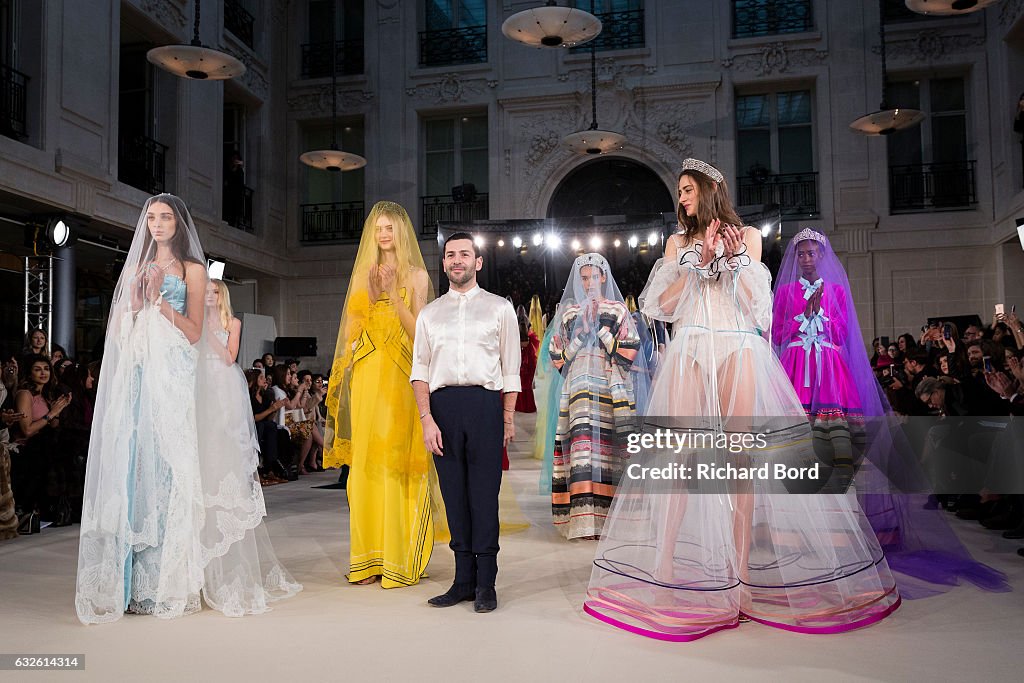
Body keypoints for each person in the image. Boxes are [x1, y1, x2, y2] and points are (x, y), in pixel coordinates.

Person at [585, 158, 901, 641]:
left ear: (710, 190)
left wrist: (732, 263)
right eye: (680, 191)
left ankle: (741, 576)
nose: (682, 198)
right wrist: (698, 265)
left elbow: (760, 307)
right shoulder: (676, 243)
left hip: (737, 345)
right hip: (690, 345)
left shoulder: (748, 237)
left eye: (688, 189)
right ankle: (665, 566)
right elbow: (660, 307)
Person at [75, 194, 300, 624]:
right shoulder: (138, 267)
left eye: (165, 218)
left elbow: (196, 330)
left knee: (170, 467)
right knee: (135, 467)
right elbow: (122, 327)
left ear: (179, 224)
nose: (157, 224)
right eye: (151, 217)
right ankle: (131, 581)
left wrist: (160, 301)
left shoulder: (194, 270)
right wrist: (138, 304)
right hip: (141, 373)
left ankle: (170, 580)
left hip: (175, 372)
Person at [773, 229, 1008, 597]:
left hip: (829, 369)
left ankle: (836, 519)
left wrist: (821, 316)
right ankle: (797, 519)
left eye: (811, 252)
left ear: (822, 255)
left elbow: (844, 331)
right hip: (797, 364)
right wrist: (804, 314)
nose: (805, 258)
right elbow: (778, 331)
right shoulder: (785, 292)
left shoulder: (836, 289)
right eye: (800, 253)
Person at [324, 201, 435, 588]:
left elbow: (418, 330)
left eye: (390, 228)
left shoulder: (418, 275)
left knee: (398, 459)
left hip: (402, 373)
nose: (383, 234)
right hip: (369, 372)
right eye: (378, 228)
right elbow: (353, 333)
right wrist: (372, 295)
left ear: (401, 232)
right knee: (366, 462)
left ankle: (399, 557)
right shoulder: (361, 276)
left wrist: (393, 293)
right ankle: (367, 558)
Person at [411, 232, 520, 613]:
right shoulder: (429, 314)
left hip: (485, 405)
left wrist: (506, 417)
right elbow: (420, 370)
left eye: (465, 254)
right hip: (442, 408)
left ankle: (486, 584)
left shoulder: (499, 309)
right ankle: (462, 581)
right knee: (454, 497)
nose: (457, 260)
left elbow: (511, 368)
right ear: (444, 264)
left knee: (484, 497)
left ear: (478, 262)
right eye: (450, 255)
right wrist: (426, 419)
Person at [545, 253, 648, 540]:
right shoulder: (568, 313)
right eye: (585, 278)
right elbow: (558, 356)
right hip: (578, 386)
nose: (590, 283)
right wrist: (581, 333)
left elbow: (630, 348)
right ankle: (584, 521)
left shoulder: (617, 310)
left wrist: (601, 331)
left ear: (604, 277)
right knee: (582, 449)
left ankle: (614, 521)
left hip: (610, 385)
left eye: (594, 277)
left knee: (612, 448)